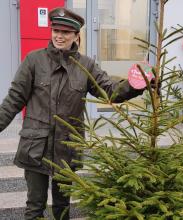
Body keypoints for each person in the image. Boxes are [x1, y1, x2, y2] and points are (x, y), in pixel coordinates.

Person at [0, 7, 145, 220]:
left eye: (66, 32)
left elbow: (110, 91)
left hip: (66, 147)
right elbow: (13, 100)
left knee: (62, 207)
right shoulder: (34, 60)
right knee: (34, 207)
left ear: (77, 35)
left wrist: (136, 83)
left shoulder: (86, 65)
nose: (59, 36)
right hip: (35, 146)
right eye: (56, 30)